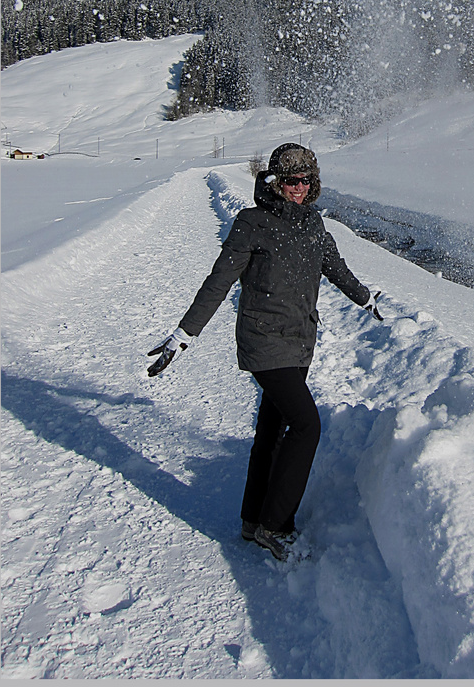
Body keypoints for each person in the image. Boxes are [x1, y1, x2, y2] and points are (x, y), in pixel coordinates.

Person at [146, 142, 382, 561]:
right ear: (273, 181)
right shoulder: (251, 223)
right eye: (290, 180)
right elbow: (218, 283)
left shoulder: (313, 224)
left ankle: (253, 521)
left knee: (272, 432)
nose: (298, 187)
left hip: (299, 342)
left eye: (305, 180)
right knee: (307, 425)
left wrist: (364, 298)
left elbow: (336, 267)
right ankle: (276, 526)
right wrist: (184, 334)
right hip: (264, 342)